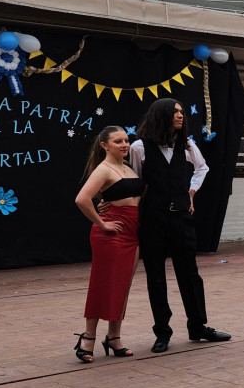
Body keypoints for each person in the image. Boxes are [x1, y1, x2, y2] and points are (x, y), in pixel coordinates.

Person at [131, 98, 230, 353]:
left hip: (181, 217)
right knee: (156, 275)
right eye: (175, 112)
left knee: (190, 273)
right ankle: (162, 332)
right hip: (153, 218)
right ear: (161, 115)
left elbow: (202, 168)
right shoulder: (140, 147)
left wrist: (191, 193)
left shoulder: (186, 145)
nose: (180, 115)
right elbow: (135, 182)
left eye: (182, 112)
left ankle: (198, 326)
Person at [73, 126, 144, 363]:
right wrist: (103, 224)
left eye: (126, 140)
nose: (125, 144)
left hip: (132, 234)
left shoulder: (130, 169)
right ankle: (88, 336)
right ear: (104, 145)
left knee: (122, 286)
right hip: (111, 235)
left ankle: (114, 337)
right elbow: (82, 199)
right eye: (118, 141)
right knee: (102, 285)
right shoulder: (103, 170)